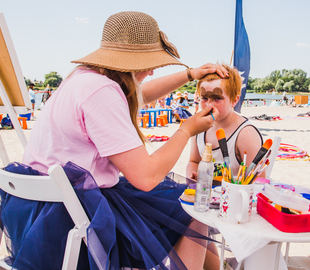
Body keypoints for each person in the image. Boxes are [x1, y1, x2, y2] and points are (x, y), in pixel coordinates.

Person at [0, 11, 228, 270]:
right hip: (73, 221)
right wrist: (186, 129)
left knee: (185, 216)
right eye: (148, 63)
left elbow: (137, 94)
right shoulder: (102, 91)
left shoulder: (83, 78)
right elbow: (146, 177)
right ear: (129, 61)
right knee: (193, 212)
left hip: (39, 215)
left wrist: (190, 74)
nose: (152, 70)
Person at [187, 64, 265, 183]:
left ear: (234, 100)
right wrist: (192, 180)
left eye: (217, 98)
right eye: (204, 98)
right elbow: (194, 161)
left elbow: (259, 180)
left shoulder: (245, 134)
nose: (209, 105)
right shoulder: (198, 128)